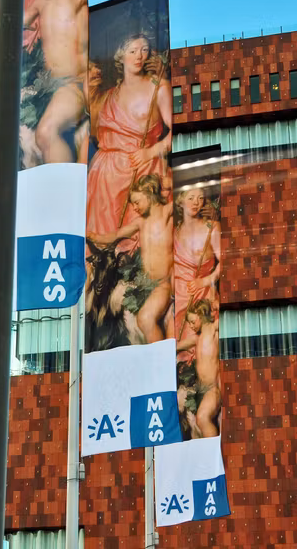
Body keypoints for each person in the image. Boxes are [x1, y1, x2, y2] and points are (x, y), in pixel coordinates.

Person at [86, 32, 172, 256]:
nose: (139, 56)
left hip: (141, 170)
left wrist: (151, 151)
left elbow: (177, 132)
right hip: (105, 179)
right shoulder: (108, 96)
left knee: (135, 244)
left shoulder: (158, 87)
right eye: (133, 51)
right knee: (100, 244)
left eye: (144, 50)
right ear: (121, 56)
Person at [88, 174, 173, 343]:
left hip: (162, 285)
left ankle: (159, 359)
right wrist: (93, 236)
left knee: (145, 319)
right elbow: (117, 234)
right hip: (144, 283)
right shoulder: (141, 223)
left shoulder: (166, 214)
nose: (134, 207)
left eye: (137, 202)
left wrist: (167, 182)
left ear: (150, 193)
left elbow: (181, 197)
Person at [22, 0, 88, 164]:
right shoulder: (41, 3)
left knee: (47, 131)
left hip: (78, 83)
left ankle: (64, 188)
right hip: (55, 87)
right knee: (39, 134)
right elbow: (17, 20)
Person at [174, 188, 221, 340]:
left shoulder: (211, 227)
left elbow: (225, 262)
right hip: (178, 294)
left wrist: (204, 281)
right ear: (180, 201)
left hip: (201, 293)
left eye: (200, 198)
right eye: (191, 198)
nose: (196, 202)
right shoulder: (175, 231)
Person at [184, 298, 221, 438]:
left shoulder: (213, 330)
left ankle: (212, 453)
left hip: (213, 389)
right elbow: (174, 347)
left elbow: (229, 319)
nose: (191, 326)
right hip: (201, 391)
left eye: (193, 322)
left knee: (202, 418)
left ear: (202, 315)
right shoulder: (196, 339)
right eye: (189, 323)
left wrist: (218, 306)